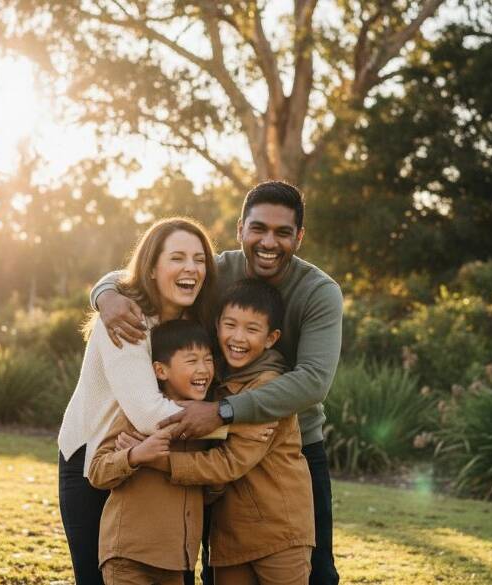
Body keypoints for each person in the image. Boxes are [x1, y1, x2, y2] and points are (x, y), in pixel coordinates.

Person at [92, 181, 343, 585]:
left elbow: (313, 381)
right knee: (220, 562)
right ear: (241, 228)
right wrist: (105, 293)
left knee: (316, 571)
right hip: (210, 437)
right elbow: (144, 269)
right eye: (258, 228)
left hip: (290, 444)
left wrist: (223, 411)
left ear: (299, 236)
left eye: (282, 232)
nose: (268, 242)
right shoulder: (217, 269)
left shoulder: (318, 292)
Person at [57, 217, 220, 585]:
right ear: (151, 268)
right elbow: (149, 414)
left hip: (156, 456)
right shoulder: (124, 319)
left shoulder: (194, 321)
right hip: (93, 457)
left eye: (199, 259)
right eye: (177, 257)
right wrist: (230, 420)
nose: (190, 268)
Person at [145, 278, 315, 585]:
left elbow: (229, 462)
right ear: (217, 326)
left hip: (279, 530)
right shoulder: (211, 379)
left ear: (271, 337)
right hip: (229, 535)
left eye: (252, 329)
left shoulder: (269, 388)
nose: (238, 337)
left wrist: (159, 461)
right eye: (230, 325)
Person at [88, 320, 217, 585]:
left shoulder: (208, 426)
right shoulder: (137, 414)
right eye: (191, 361)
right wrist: (136, 455)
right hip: (129, 557)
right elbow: (97, 471)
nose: (203, 369)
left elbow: (213, 487)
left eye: (208, 359)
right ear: (160, 370)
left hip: (176, 562)